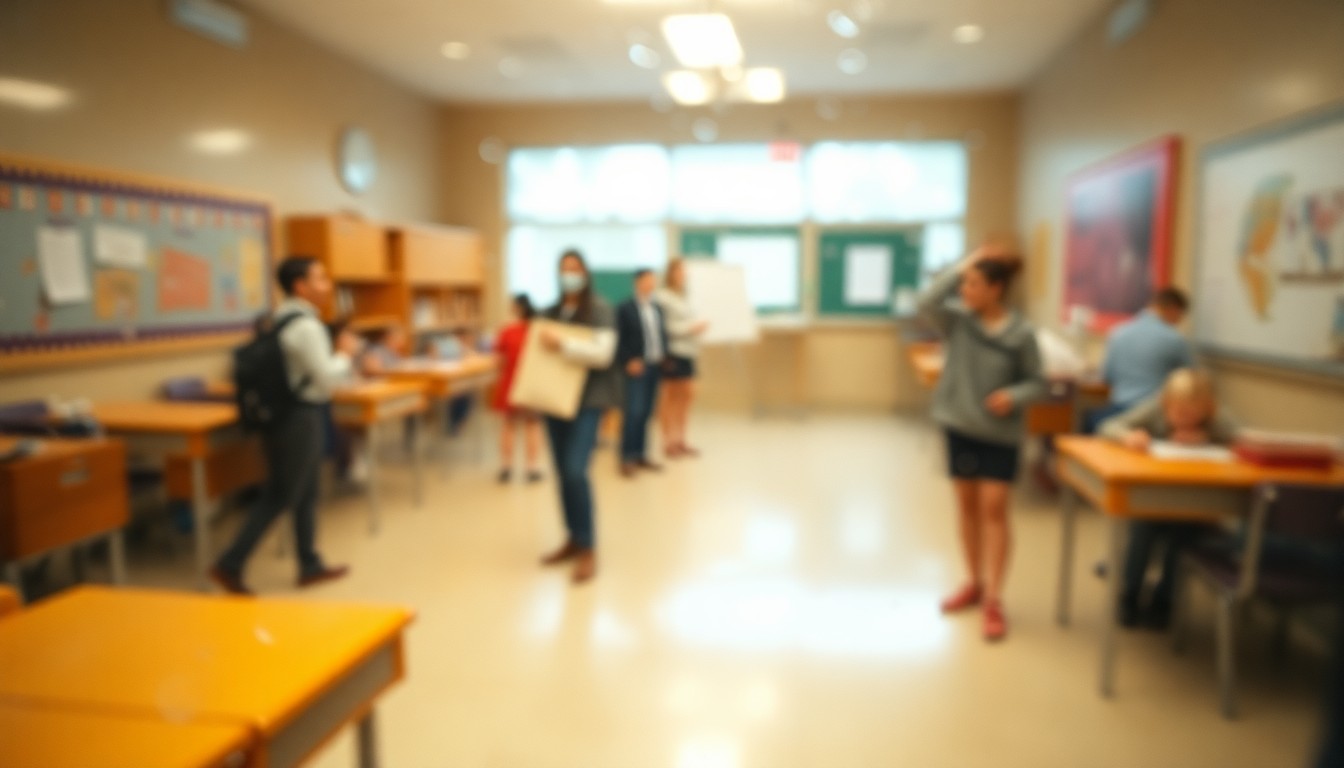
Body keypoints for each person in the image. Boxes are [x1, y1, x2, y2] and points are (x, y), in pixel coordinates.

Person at [917, 244, 1047, 642]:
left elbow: (1038, 382)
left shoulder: (1021, 333)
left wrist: (1015, 396)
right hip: (959, 426)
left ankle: (994, 598)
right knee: (967, 505)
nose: (964, 290)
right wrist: (965, 263)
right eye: (964, 283)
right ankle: (973, 582)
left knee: (995, 508)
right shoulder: (958, 321)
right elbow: (926, 301)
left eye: (973, 284)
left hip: (999, 433)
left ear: (997, 289)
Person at [211, 256, 356, 595]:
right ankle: (230, 564)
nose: (327, 285)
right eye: (320, 279)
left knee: (306, 491)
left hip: (281, 415)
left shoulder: (279, 318)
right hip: (300, 417)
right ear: (300, 286)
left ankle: (309, 564)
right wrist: (345, 354)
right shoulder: (307, 327)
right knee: (281, 493)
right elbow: (326, 379)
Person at [1099, 368, 1238, 628]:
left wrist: (1207, 438)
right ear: (1165, 404)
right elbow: (1108, 426)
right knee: (1142, 530)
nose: (1184, 420)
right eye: (1178, 413)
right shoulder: (1154, 409)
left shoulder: (1217, 417)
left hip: (1193, 505)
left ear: (1208, 408)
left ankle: (1165, 601)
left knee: (1183, 535)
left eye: (1192, 414)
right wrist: (1128, 436)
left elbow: (1242, 439)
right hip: (1152, 500)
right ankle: (1129, 594)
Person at [538, 249, 620, 584]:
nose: (569, 275)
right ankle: (572, 538)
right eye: (563, 269)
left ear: (585, 273)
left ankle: (588, 546)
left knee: (575, 470)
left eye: (574, 269)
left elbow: (604, 354)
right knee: (562, 473)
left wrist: (564, 345)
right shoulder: (551, 311)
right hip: (554, 400)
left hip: (588, 401)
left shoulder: (600, 310)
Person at [1086, 287, 1194, 433]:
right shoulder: (1175, 340)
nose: (1178, 322)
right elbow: (1191, 382)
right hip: (1152, 417)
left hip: (1118, 409)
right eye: (1180, 317)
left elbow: (1107, 376)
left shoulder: (1118, 332)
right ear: (1173, 310)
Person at [615, 269, 669, 477]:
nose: (651, 284)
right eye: (647, 280)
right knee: (634, 412)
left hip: (654, 366)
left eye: (653, 281)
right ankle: (627, 457)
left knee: (647, 412)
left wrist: (664, 355)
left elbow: (660, 335)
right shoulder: (625, 308)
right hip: (635, 368)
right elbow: (618, 338)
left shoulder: (657, 308)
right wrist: (628, 360)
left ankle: (641, 454)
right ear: (637, 282)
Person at [656, 257, 709, 458]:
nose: (683, 274)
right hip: (673, 351)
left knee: (687, 395)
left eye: (684, 271)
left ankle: (681, 439)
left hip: (689, 351)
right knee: (670, 396)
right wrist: (690, 328)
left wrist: (697, 328)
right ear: (670, 273)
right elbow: (665, 327)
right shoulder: (663, 297)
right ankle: (668, 441)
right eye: (679, 271)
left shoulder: (686, 296)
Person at [493, 294, 544, 484]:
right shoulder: (538, 330)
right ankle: (532, 467)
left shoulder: (508, 331)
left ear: (516, 308)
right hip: (533, 382)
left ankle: (506, 467)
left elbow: (498, 359)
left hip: (512, 383)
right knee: (532, 425)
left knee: (509, 425)